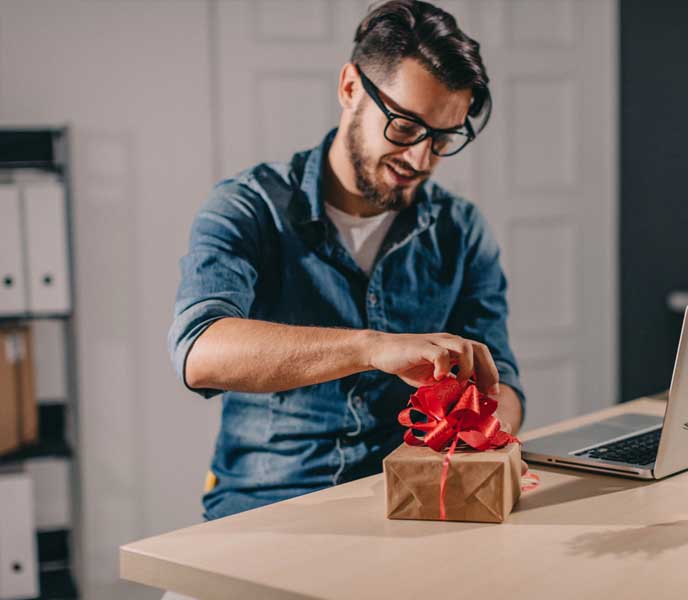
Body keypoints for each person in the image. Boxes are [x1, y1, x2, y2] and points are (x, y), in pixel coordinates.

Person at [168, 0, 526, 522]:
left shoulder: (462, 230)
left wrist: (485, 428)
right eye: (404, 128)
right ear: (350, 88)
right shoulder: (248, 207)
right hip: (267, 507)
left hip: (416, 501)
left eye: (443, 138)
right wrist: (371, 348)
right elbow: (199, 351)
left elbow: (504, 382)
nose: (420, 160)